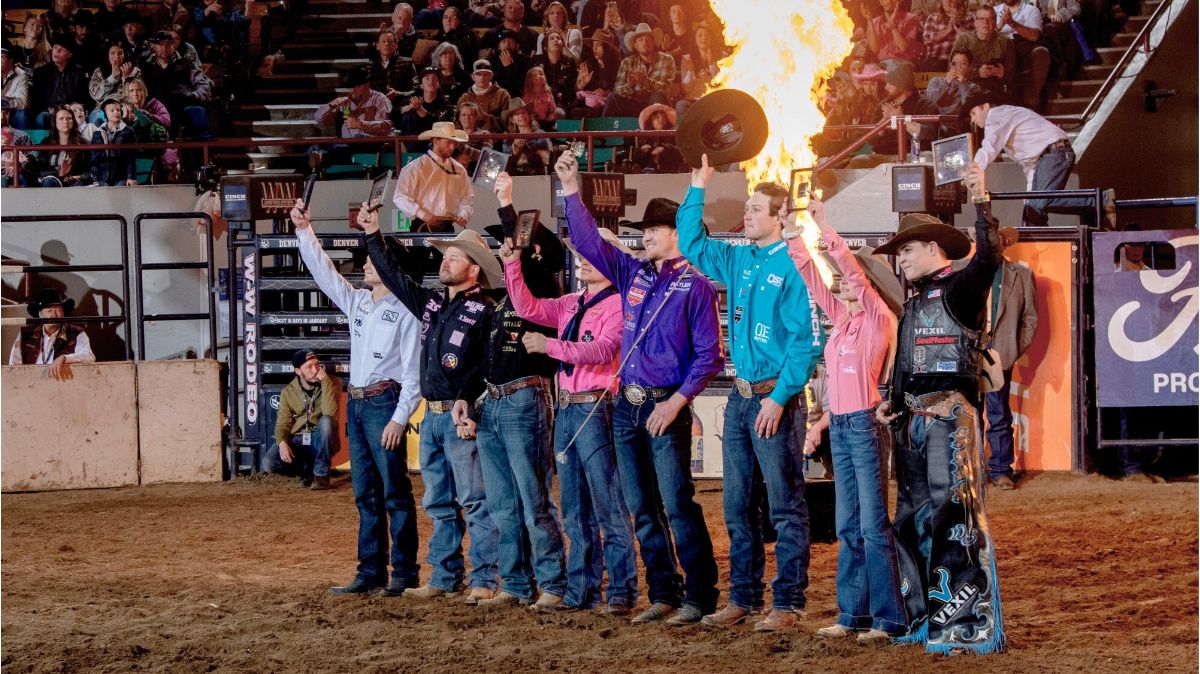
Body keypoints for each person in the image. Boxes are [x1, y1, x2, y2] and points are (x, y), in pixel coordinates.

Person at [556, 150, 723, 627]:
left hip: (664, 405)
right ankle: (663, 592)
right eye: (643, 229)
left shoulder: (697, 287)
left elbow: (709, 357)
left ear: (676, 234)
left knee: (675, 502)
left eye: (653, 229)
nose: (644, 235)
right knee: (642, 505)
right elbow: (591, 243)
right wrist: (571, 190)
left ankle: (700, 596)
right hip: (627, 408)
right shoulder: (634, 272)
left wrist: (675, 403)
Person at [679, 158, 821, 632]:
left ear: (780, 215)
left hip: (771, 399)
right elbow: (691, 242)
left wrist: (779, 398)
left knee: (784, 505)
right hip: (742, 398)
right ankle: (743, 597)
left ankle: (788, 604)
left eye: (757, 209)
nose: (748, 215)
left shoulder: (796, 265)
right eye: (747, 207)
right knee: (737, 504)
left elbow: (805, 341)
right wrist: (698, 186)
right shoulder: (740, 256)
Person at [874, 164, 1006, 655]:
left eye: (906, 249)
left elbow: (989, 256)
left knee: (953, 514)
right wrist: (892, 404)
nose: (901, 259)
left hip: (951, 418)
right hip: (912, 420)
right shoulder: (914, 302)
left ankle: (963, 622)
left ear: (934, 249)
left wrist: (981, 199)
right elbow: (908, 359)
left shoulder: (961, 288)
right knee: (909, 518)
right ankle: (923, 617)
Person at [361, 211, 501, 604]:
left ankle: (483, 579)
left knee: (473, 499)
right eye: (445, 256)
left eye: (454, 258)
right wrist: (374, 234)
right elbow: (394, 277)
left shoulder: (486, 309)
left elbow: (484, 366)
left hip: (461, 417)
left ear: (474, 270)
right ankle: (445, 575)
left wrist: (469, 404)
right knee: (439, 500)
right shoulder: (432, 303)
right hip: (433, 414)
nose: (445, 262)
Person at [786, 194, 908, 643]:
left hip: (864, 426)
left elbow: (852, 275)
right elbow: (814, 283)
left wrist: (827, 231)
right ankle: (852, 614)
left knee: (873, 525)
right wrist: (795, 240)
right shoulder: (842, 322)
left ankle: (887, 617)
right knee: (848, 525)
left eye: (848, 282)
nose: (839, 285)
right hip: (842, 426)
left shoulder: (878, 320)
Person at [504, 215, 638, 616]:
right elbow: (526, 305)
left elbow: (602, 350)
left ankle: (619, 591)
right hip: (572, 409)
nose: (584, 262)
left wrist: (551, 347)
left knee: (606, 504)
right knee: (577, 507)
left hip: (596, 406)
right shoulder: (573, 303)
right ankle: (584, 590)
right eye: (582, 256)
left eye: (593, 256)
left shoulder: (618, 304)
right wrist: (513, 265)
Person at [290, 201, 425, 596]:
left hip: (382, 402)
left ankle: (402, 572)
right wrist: (304, 231)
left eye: (372, 260)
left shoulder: (405, 312)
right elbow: (325, 274)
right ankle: (372, 571)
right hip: (366, 402)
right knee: (367, 492)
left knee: (393, 492)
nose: (365, 264)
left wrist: (400, 418)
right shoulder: (362, 302)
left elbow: (412, 373)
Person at [470, 173, 569, 610]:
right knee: (504, 501)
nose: (504, 249)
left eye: (510, 243)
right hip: (496, 399)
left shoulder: (543, 286)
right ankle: (516, 583)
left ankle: (550, 581)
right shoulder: (505, 293)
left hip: (525, 396)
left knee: (532, 497)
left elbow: (525, 250)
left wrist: (507, 204)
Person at [966, 89, 1115, 228]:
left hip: (1055, 152)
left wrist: (973, 172)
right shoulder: (1005, 119)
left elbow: (988, 147)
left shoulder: (996, 115)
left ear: (985, 106)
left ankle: (1101, 200)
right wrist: (1030, 198)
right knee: (1033, 208)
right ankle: (1037, 245)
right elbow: (1031, 165)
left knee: (1046, 200)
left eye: (973, 113)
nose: (972, 120)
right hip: (1049, 156)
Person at [979, 226, 1038, 489]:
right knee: (966, 413)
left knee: (998, 411)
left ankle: (1001, 469)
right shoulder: (969, 273)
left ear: (1004, 243)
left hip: (999, 351)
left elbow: (1030, 319)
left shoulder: (1021, 275)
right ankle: (972, 469)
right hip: (970, 350)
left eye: (998, 239)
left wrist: (1012, 350)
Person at [262, 349, 338, 489]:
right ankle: (307, 470)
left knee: (326, 421)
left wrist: (325, 381)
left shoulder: (330, 383)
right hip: (298, 440)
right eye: (309, 367)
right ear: (298, 371)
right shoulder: (288, 392)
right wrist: (282, 443)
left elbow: (330, 414)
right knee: (268, 463)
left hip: (319, 439)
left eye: (317, 365)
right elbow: (283, 423)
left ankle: (321, 475)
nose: (315, 370)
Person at [847, 61, 939, 168]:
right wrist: (885, 120)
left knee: (928, 157)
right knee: (858, 161)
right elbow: (871, 140)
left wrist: (901, 118)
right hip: (884, 156)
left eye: (890, 83)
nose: (886, 87)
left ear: (902, 84)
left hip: (913, 155)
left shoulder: (925, 105)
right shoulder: (883, 105)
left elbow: (929, 135)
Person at [391, 121, 474, 232]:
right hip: (422, 225)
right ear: (436, 141)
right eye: (448, 142)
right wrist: (422, 214)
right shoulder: (415, 167)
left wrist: (464, 213)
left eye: (453, 142)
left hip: (447, 225)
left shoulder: (459, 169)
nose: (452, 147)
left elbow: (467, 197)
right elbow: (400, 196)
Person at [309, 67, 392, 173]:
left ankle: (321, 157)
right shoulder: (345, 101)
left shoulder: (380, 99)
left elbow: (386, 126)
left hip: (368, 144)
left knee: (339, 149)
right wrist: (331, 105)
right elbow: (319, 119)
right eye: (350, 86)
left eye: (356, 86)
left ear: (367, 84)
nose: (352, 90)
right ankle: (298, 177)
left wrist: (360, 124)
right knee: (313, 148)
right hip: (346, 143)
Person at [139, 30, 214, 140]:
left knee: (198, 112)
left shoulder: (186, 64)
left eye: (168, 44)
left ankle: (206, 153)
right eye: (160, 45)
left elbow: (204, 87)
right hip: (156, 109)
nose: (164, 48)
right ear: (154, 47)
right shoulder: (145, 67)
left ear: (173, 46)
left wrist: (192, 96)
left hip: (182, 105)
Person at [8, 288, 95, 381]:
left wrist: (64, 358)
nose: (54, 315)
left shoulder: (77, 333)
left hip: (63, 385)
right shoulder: (26, 334)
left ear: (63, 313)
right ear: (40, 315)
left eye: (58, 310)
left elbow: (89, 357)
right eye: (49, 311)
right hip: (30, 384)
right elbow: (13, 365)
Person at [604, 22, 675, 117]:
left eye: (648, 39)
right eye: (640, 40)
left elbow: (667, 90)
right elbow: (617, 90)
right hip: (633, 105)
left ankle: (657, 131)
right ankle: (603, 131)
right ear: (635, 45)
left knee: (658, 95)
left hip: (654, 106)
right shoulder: (627, 62)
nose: (644, 42)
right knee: (612, 98)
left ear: (654, 43)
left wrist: (646, 82)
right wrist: (629, 86)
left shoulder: (666, 59)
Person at [994, 0, 1051, 109]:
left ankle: (1032, 100)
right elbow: (984, 36)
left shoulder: (1031, 10)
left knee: (1042, 52)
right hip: (1001, 49)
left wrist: (1012, 23)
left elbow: (1035, 36)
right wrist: (1000, 25)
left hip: (1024, 49)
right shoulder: (994, 11)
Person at [953, 7, 1016, 95]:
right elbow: (953, 71)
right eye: (981, 19)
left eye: (990, 19)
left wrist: (1003, 74)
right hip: (967, 89)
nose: (985, 22)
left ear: (995, 22)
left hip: (995, 90)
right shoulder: (964, 40)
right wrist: (977, 73)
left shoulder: (1006, 42)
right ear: (975, 22)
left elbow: (1012, 75)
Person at [31, 37, 90, 130]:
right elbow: (36, 99)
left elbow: (84, 97)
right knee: (41, 118)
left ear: (69, 54)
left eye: (61, 49)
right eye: (55, 48)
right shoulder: (40, 72)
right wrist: (49, 109)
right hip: (49, 111)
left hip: (71, 110)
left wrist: (73, 107)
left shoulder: (78, 73)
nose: (56, 51)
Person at [396, 67, 456, 150]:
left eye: (434, 79)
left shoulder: (446, 104)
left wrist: (420, 109)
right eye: (427, 79)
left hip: (435, 146)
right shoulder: (411, 101)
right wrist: (409, 107)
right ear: (421, 85)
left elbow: (439, 125)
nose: (431, 81)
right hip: (411, 147)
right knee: (408, 116)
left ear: (439, 84)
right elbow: (394, 115)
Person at [34, 106, 90, 187]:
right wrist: (59, 174)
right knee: (48, 182)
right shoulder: (46, 142)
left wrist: (78, 177)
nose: (66, 121)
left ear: (73, 121)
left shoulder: (83, 143)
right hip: (53, 180)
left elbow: (89, 170)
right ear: (55, 122)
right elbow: (41, 170)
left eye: (69, 118)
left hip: (76, 182)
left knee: (79, 187)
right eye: (61, 118)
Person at [87, 97, 136, 186]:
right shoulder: (97, 133)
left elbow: (131, 156)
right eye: (112, 110)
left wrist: (131, 177)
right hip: (103, 177)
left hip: (121, 177)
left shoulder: (128, 131)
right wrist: (95, 179)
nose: (116, 112)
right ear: (105, 114)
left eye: (118, 110)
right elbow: (94, 158)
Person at [88, 43, 140, 123]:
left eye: (120, 53)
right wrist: (111, 79)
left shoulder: (134, 71)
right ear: (107, 54)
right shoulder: (99, 72)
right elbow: (95, 95)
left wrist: (126, 78)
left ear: (125, 54)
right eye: (113, 53)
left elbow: (136, 96)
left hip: (127, 109)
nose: (116, 56)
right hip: (104, 110)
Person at [531, 30, 577, 115]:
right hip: (539, 102)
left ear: (562, 45)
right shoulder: (536, 61)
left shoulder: (569, 62)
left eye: (558, 38)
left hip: (561, 104)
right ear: (545, 47)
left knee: (558, 113)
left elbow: (571, 89)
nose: (556, 40)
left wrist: (580, 85)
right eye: (552, 38)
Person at [456, 59, 512, 125]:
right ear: (473, 77)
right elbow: (458, 123)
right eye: (478, 74)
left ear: (491, 76)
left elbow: (510, 120)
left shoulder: (502, 94)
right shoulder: (465, 98)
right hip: (471, 134)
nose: (482, 78)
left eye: (486, 74)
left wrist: (489, 119)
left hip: (495, 134)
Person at [368, 30, 418, 103]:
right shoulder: (370, 67)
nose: (387, 44)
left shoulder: (407, 64)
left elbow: (415, 90)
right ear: (377, 46)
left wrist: (397, 94)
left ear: (396, 45)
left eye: (390, 41)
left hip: (401, 105)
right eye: (383, 41)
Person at [921, 0, 972, 71]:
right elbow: (929, 40)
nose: (948, 1)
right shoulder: (933, 17)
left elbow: (971, 42)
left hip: (959, 62)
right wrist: (949, 29)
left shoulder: (969, 18)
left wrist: (957, 25)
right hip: (936, 60)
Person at [633, 103, 682, 173]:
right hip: (647, 171)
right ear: (650, 120)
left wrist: (665, 149)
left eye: (663, 116)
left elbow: (680, 152)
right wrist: (642, 151)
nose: (661, 119)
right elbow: (636, 158)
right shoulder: (643, 136)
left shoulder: (672, 134)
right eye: (657, 117)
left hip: (669, 170)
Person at [2, 48, 33, 131]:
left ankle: (24, 141)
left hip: (11, 112)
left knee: (22, 114)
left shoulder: (21, 75)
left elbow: (23, 103)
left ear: (10, 60)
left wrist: (4, 102)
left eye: (1, 56)